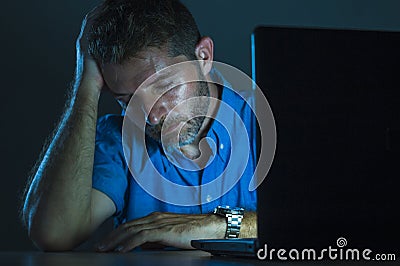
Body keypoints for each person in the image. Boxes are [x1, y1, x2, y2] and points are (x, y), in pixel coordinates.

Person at [22, 0, 257, 252]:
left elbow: (305, 222)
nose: (152, 118)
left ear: (203, 56)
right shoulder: (116, 140)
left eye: (164, 88)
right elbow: (54, 233)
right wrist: (85, 89)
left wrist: (216, 226)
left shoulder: (269, 116)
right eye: (128, 100)